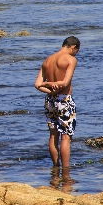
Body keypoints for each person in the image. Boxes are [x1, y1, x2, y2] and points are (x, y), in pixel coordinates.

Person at [34, 36, 80, 168]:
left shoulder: (47, 60)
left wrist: (49, 90)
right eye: (76, 51)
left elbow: (37, 84)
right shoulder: (71, 59)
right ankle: (65, 170)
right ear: (73, 47)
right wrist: (51, 84)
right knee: (65, 137)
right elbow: (65, 82)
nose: (76, 54)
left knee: (53, 136)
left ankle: (56, 167)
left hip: (50, 101)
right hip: (64, 100)